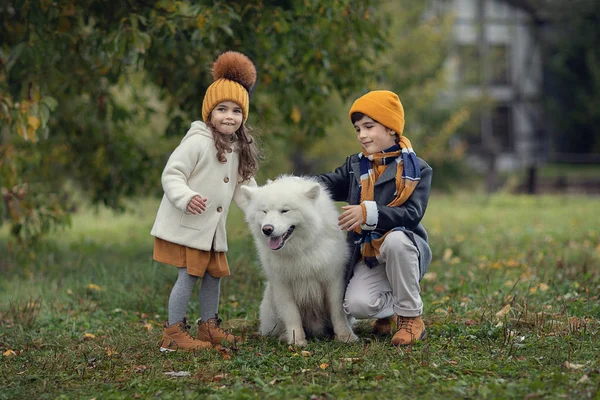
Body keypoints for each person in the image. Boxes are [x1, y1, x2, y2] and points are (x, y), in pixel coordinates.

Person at [151, 51, 259, 352]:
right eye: (222, 109)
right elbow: (172, 175)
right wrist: (186, 198)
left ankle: (209, 326)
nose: (229, 116)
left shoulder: (237, 148)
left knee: (214, 277)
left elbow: (244, 187)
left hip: (212, 231)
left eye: (237, 111)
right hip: (190, 226)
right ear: (209, 113)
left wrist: (263, 208)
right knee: (188, 277)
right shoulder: (197, 142)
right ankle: (172, 333)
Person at [317, 90, 432, 346]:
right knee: (357, 305)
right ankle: (389, 310)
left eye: (369, 126)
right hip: (367, 254)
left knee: (396, 241)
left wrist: (367, 213)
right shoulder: (355, 165)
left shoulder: (419, 169)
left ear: (391, 129)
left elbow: (411, 214)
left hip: (403, 249)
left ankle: (411, 318)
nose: (362, 135)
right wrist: (295, 185)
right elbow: (327, 182)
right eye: (358, 129)